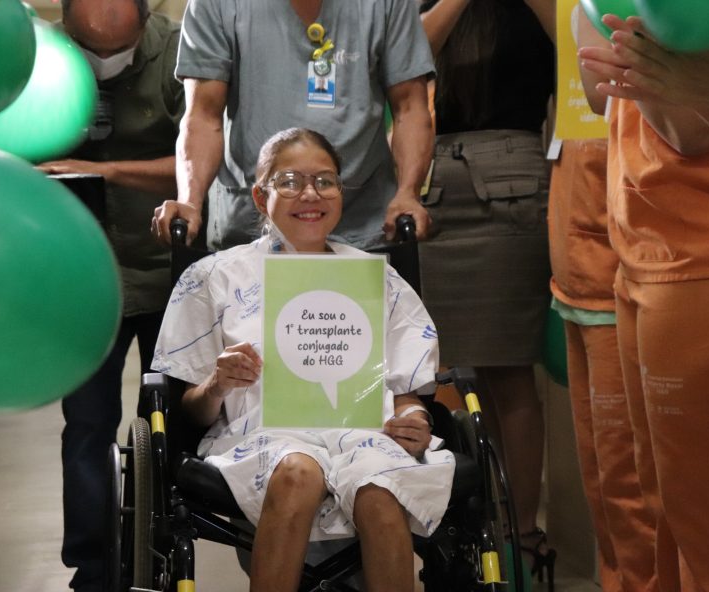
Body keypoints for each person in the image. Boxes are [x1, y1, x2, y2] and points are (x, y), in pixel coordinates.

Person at [151, 128, 454, 592]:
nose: (310, 194)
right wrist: (217, 384)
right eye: (289, 181)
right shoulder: (214, 277)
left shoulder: (377, 278)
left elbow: (406, 390)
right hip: (257, 438)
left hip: (363, 434)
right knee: (298, 469)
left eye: (325, 181)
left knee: (381, 484)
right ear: (259, 195)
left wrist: (413, 416)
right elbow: (186, 410)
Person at [576, 5, 709, 591]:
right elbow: (598, 95)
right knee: (665, 512)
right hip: (648, 248)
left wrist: (650, 58)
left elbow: (691, 129)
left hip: (706, 257)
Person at [40, 1, 185, 590]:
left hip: (169, 269)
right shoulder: (40, 58)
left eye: (116, 54)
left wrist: (102, 171)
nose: (104, 64)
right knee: (87, 426)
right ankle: (93, 566)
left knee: (173, 421)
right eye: (90, 51)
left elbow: (204, 161)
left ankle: (170, 549)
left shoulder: (181, 52)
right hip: (79, 276)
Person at [415, 0, 556, 581]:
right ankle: (463, 533)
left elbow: (572, 44)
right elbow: (405, 57)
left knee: (509, 369)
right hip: (429, 187)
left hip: (513, 187)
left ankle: (522, 535)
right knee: (437, 371)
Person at [151, 0, 435, 251]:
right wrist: (189, 200)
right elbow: (203, 116)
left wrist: (408, 193)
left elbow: (410, 108)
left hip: (363, 225)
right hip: (250, 226)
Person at [548, 138, 657, 592]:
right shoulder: (572, 78)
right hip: (574, 287)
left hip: (621, 289)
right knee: (601, 482)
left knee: (628, 484)